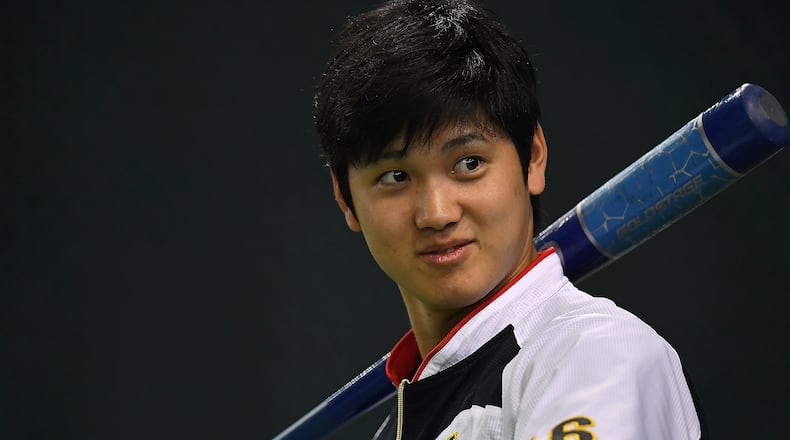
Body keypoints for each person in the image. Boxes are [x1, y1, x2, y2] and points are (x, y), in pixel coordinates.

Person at [313, 0, 705, 438]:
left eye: (469, 164)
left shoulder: (593, 355)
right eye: (395, 176)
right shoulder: (404, 419)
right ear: (345, 199)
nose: (437, 214)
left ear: (532, 157)